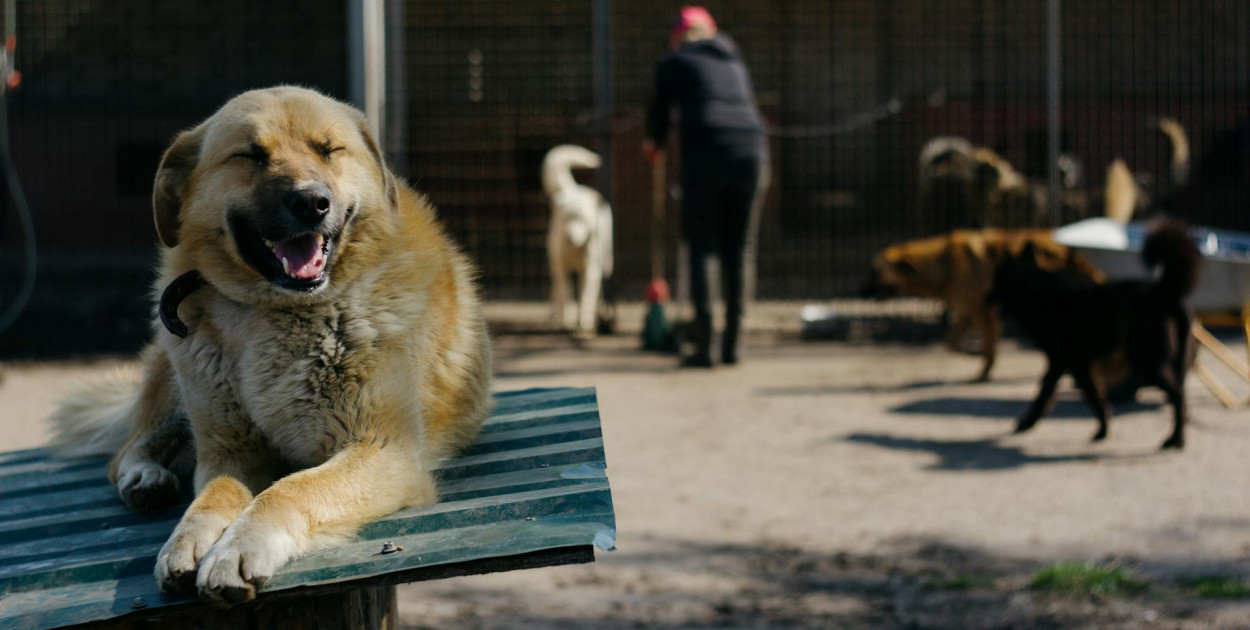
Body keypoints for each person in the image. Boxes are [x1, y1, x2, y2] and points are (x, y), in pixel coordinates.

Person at [645, 6, 766, 368]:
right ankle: (733, 344)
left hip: (706, 153)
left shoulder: (675, 60)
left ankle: (705, 345)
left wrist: (653, 143)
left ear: (678, 36)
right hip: (751, 152)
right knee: (739, 249)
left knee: (703, 247)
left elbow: (658, 113)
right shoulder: (733, 59)